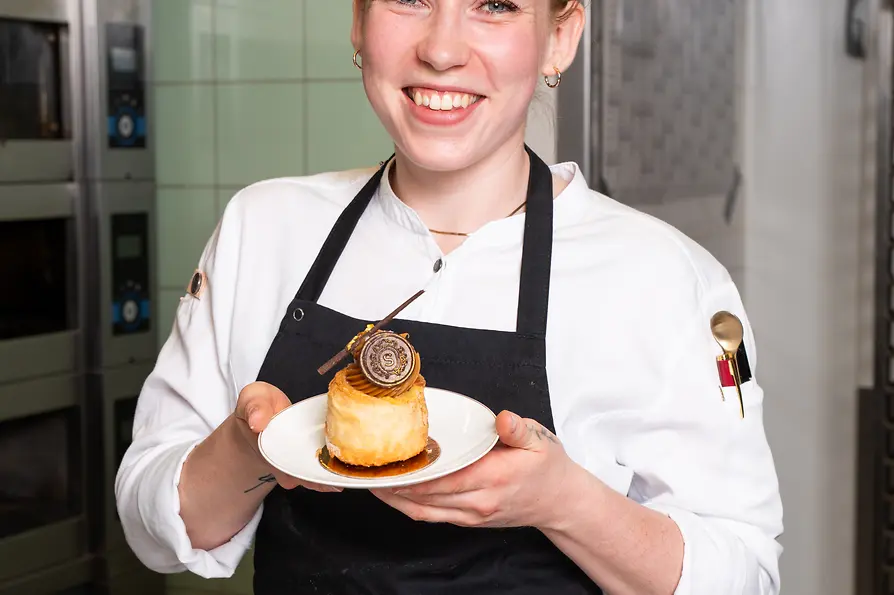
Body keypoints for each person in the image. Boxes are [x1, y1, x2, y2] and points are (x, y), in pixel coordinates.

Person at [115, 0, 783, 593]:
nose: (440, 49)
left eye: (494, 5)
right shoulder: (262, 228)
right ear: (357, 20)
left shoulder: (670, 278)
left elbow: (748, 571)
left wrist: (563, 501)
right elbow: (149, 517)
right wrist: (248, 446)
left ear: (561, 37)